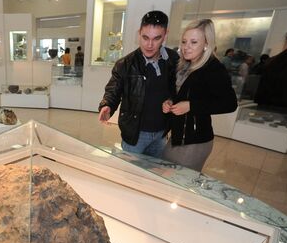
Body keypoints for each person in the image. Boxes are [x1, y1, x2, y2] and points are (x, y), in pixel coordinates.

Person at [98, 10, 179, 158]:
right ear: (139, 33)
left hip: (161, 133)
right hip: (135, 135)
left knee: (154, 176)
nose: (149, 44)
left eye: (156, 38)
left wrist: (172, 100)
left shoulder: (173, 59)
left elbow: (176, 89)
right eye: (145, 37)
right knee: (129, 174)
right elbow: (113, 90)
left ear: (165, 36)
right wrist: (107, 105)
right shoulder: (125, 64)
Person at [162, 19, 237, 172]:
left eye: (193, 42)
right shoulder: (185, 65)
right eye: (184, 41)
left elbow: (229, 103)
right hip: (178, 136)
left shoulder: (214, 69)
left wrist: (190, 106)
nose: (186, 47)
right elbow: (181, 93)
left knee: (179, 186)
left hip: (195, 141)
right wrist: (169, 102)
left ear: (207, 44)